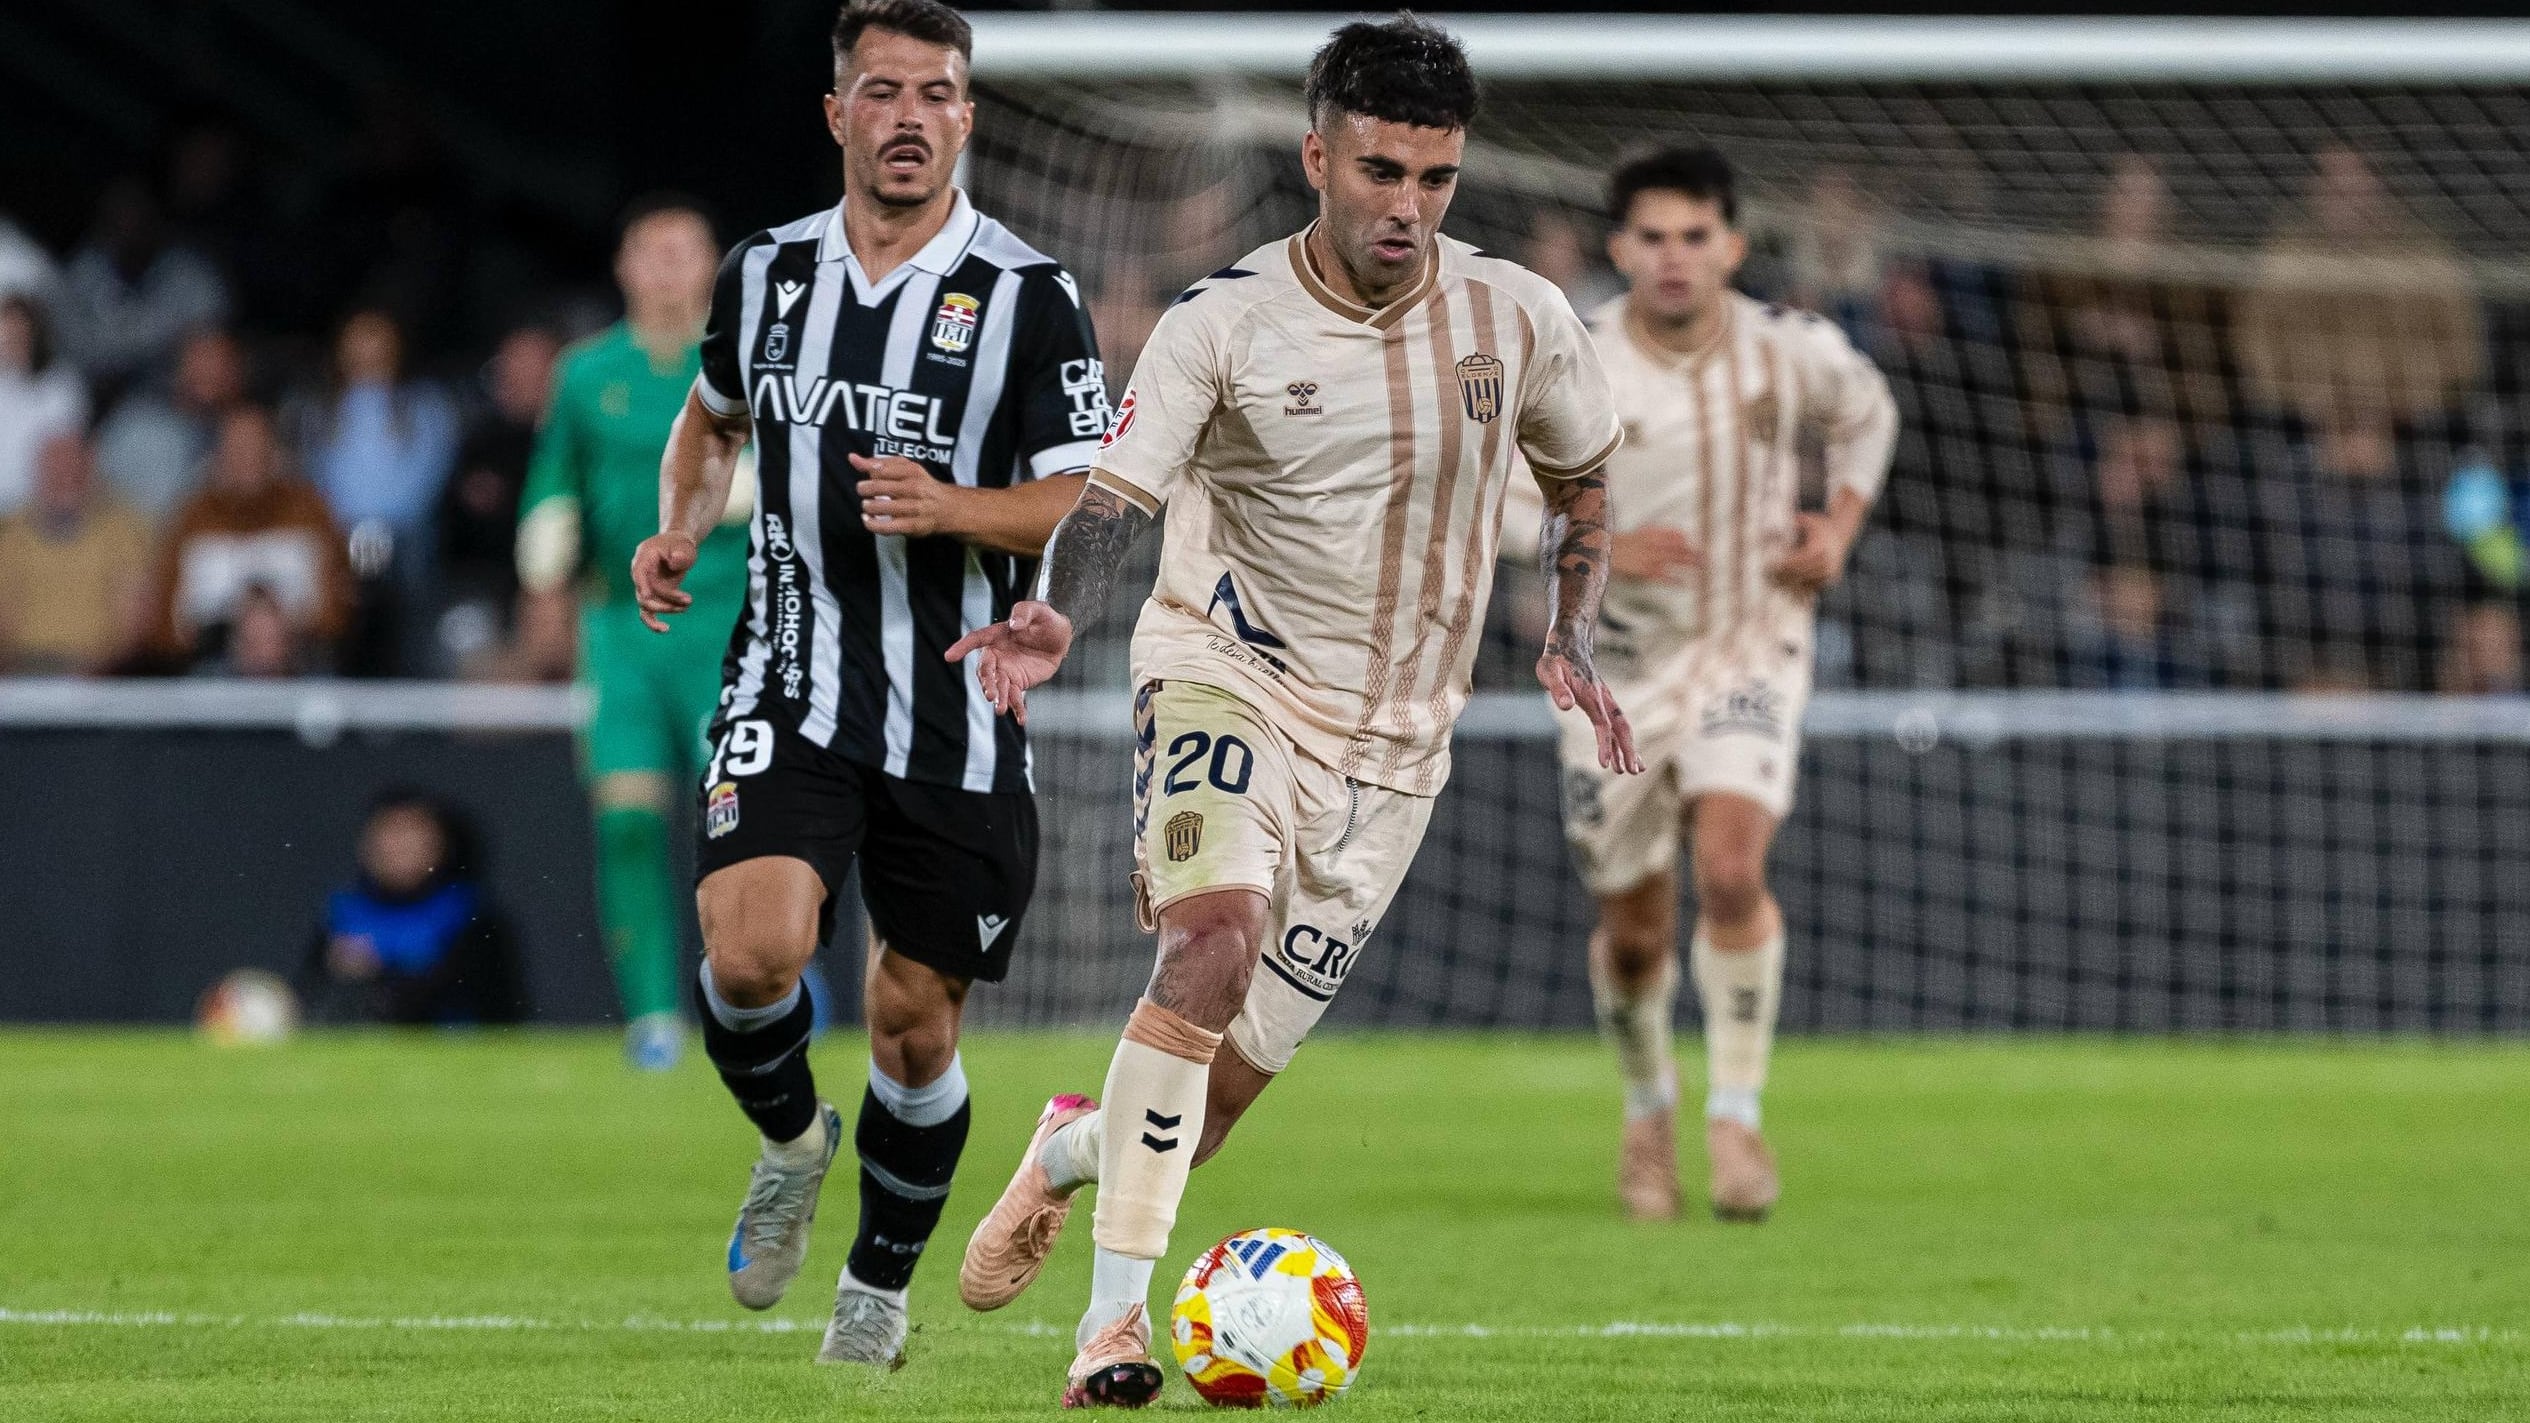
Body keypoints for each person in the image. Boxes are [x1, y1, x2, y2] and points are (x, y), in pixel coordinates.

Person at [946, 18, 1635, 1406]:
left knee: (1199, 1112)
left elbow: (1583, 485)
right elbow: (1112, 503)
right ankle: (1111, 1330)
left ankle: (1072, 1149)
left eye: (1434, 178)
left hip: (1396, 750)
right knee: (1210, 939)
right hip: (1225, 671)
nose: (1406, 205)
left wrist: (1566, 636)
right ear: (1316, 156)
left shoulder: (1516, 318)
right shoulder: (1225, 324)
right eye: (1381, 170)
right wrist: (1056, 612)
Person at [627, 0, 1109, 1370]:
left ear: (967, 117)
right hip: (791, 672)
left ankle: (875, 1292)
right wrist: (678, 519)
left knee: (913, 1022)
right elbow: (712, 419)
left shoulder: (1027, 293)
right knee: (752, 946)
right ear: (837, 113)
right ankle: (789, 1139)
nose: (908, 115)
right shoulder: (767, 272)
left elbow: (1083, 492)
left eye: (936, 93)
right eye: (881, 90)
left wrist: (954, 503)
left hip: (957, 701)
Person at [1502, 148, 1894, 1224]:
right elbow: (1491, 499)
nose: (1674, 258)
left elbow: (1869, 417)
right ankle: (1646, 1106)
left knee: (1730, 866)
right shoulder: (1573, 359)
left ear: (1730, 244)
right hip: (1612, 671)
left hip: (1749, 643)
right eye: (1652, 238)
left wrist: (1837, 529)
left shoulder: (1786, 349)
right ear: (1620, 248)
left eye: (1695, 236)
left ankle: (1734, 1112)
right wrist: (1601, 548)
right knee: (1633, 929)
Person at [517, 200, 749, 1071]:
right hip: (618, 628)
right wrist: (542, 569)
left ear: (711, 266)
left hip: (725, 623)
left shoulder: (741, 365)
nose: (665, 267)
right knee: (627, 822)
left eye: (682, 251)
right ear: (622, 266)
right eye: (649, 251)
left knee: (736, 823)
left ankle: (751, 991)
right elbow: (553, 484)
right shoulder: (585, 374)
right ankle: (652, 1016)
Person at [294, 307, 460, 676]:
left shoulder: (425, 407)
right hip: (340, 535)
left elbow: (427, 478)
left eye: (377, 338)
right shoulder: (320, 413)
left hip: (405, 537)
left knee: (401, 560)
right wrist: (348, 529)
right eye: (359, 338)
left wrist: (378, 529)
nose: (368, 350)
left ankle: (411, 679)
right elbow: (317, 479)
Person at [294, 788, 529, 1025]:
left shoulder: (468, 913)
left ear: (440, 844)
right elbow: (309, 998)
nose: (397, 847)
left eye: (411, 833)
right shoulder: (343, 913)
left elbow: (497, 1006)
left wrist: (378, 975)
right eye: (388, 833)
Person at [145, 404, 354, 670]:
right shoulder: (192, 518)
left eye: (257, 450)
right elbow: (166, 627)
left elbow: (337, 614)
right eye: (238, 451)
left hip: (300, 669)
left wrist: (278, 628)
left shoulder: (309, 510)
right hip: (214, 671)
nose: (248, 460)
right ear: (219, 457)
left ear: (275, 455)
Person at [0, 430, 152, 673]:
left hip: (97, 673)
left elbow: (133, 626)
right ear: (38, 475)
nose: (65, 481)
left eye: (74, 472)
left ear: (91, 471)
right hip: (19, 672)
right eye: (56, 474)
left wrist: (96, 673)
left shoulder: (124, 532)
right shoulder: (9, 535)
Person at [92, 325, 249, 528]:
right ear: (178, 369)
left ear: (237, 374)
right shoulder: (136, 425)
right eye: (200, 359)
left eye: (220, 363)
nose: (209, 373)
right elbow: (92, 492)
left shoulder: (250, 436)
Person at [0, 295, 89, 517]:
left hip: (38, 514)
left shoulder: (61, 387)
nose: (8, 345)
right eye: (4, 337)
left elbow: (66, 459)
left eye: (16, 336)